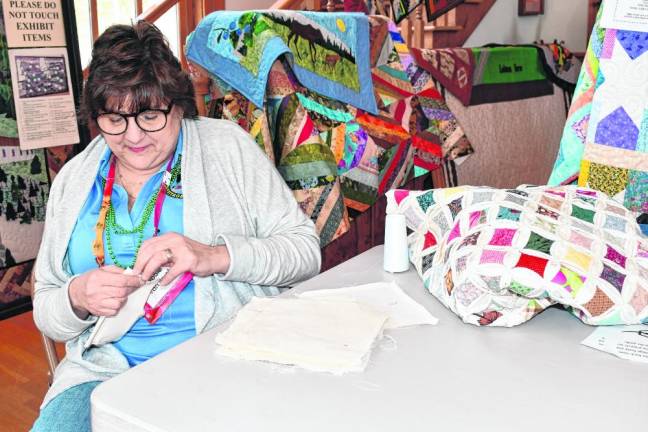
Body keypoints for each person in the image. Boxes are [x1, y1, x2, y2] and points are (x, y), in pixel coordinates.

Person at [31, 21, 320, 431]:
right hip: (102, 373)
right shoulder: (74, 179)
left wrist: (215, 256)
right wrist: (77, 297)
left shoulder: (227, 148)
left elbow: (306, 254)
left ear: (178, 104)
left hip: (220, 359)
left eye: (149, 115)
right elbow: (47, 308)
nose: (132, 136)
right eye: (114, 118)